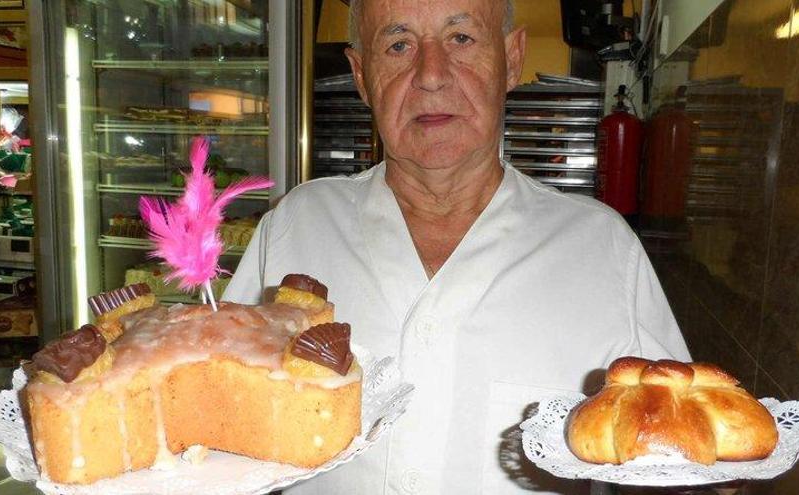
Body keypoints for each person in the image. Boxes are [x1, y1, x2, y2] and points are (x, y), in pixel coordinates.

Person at [223, 0, 690, 493]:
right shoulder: (297, 224)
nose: (430, 75)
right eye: (398, 44)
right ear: (361, 75)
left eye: (461, 39)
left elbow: (674, 450)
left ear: (512, 58)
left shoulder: (601, 248)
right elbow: (217, 419)